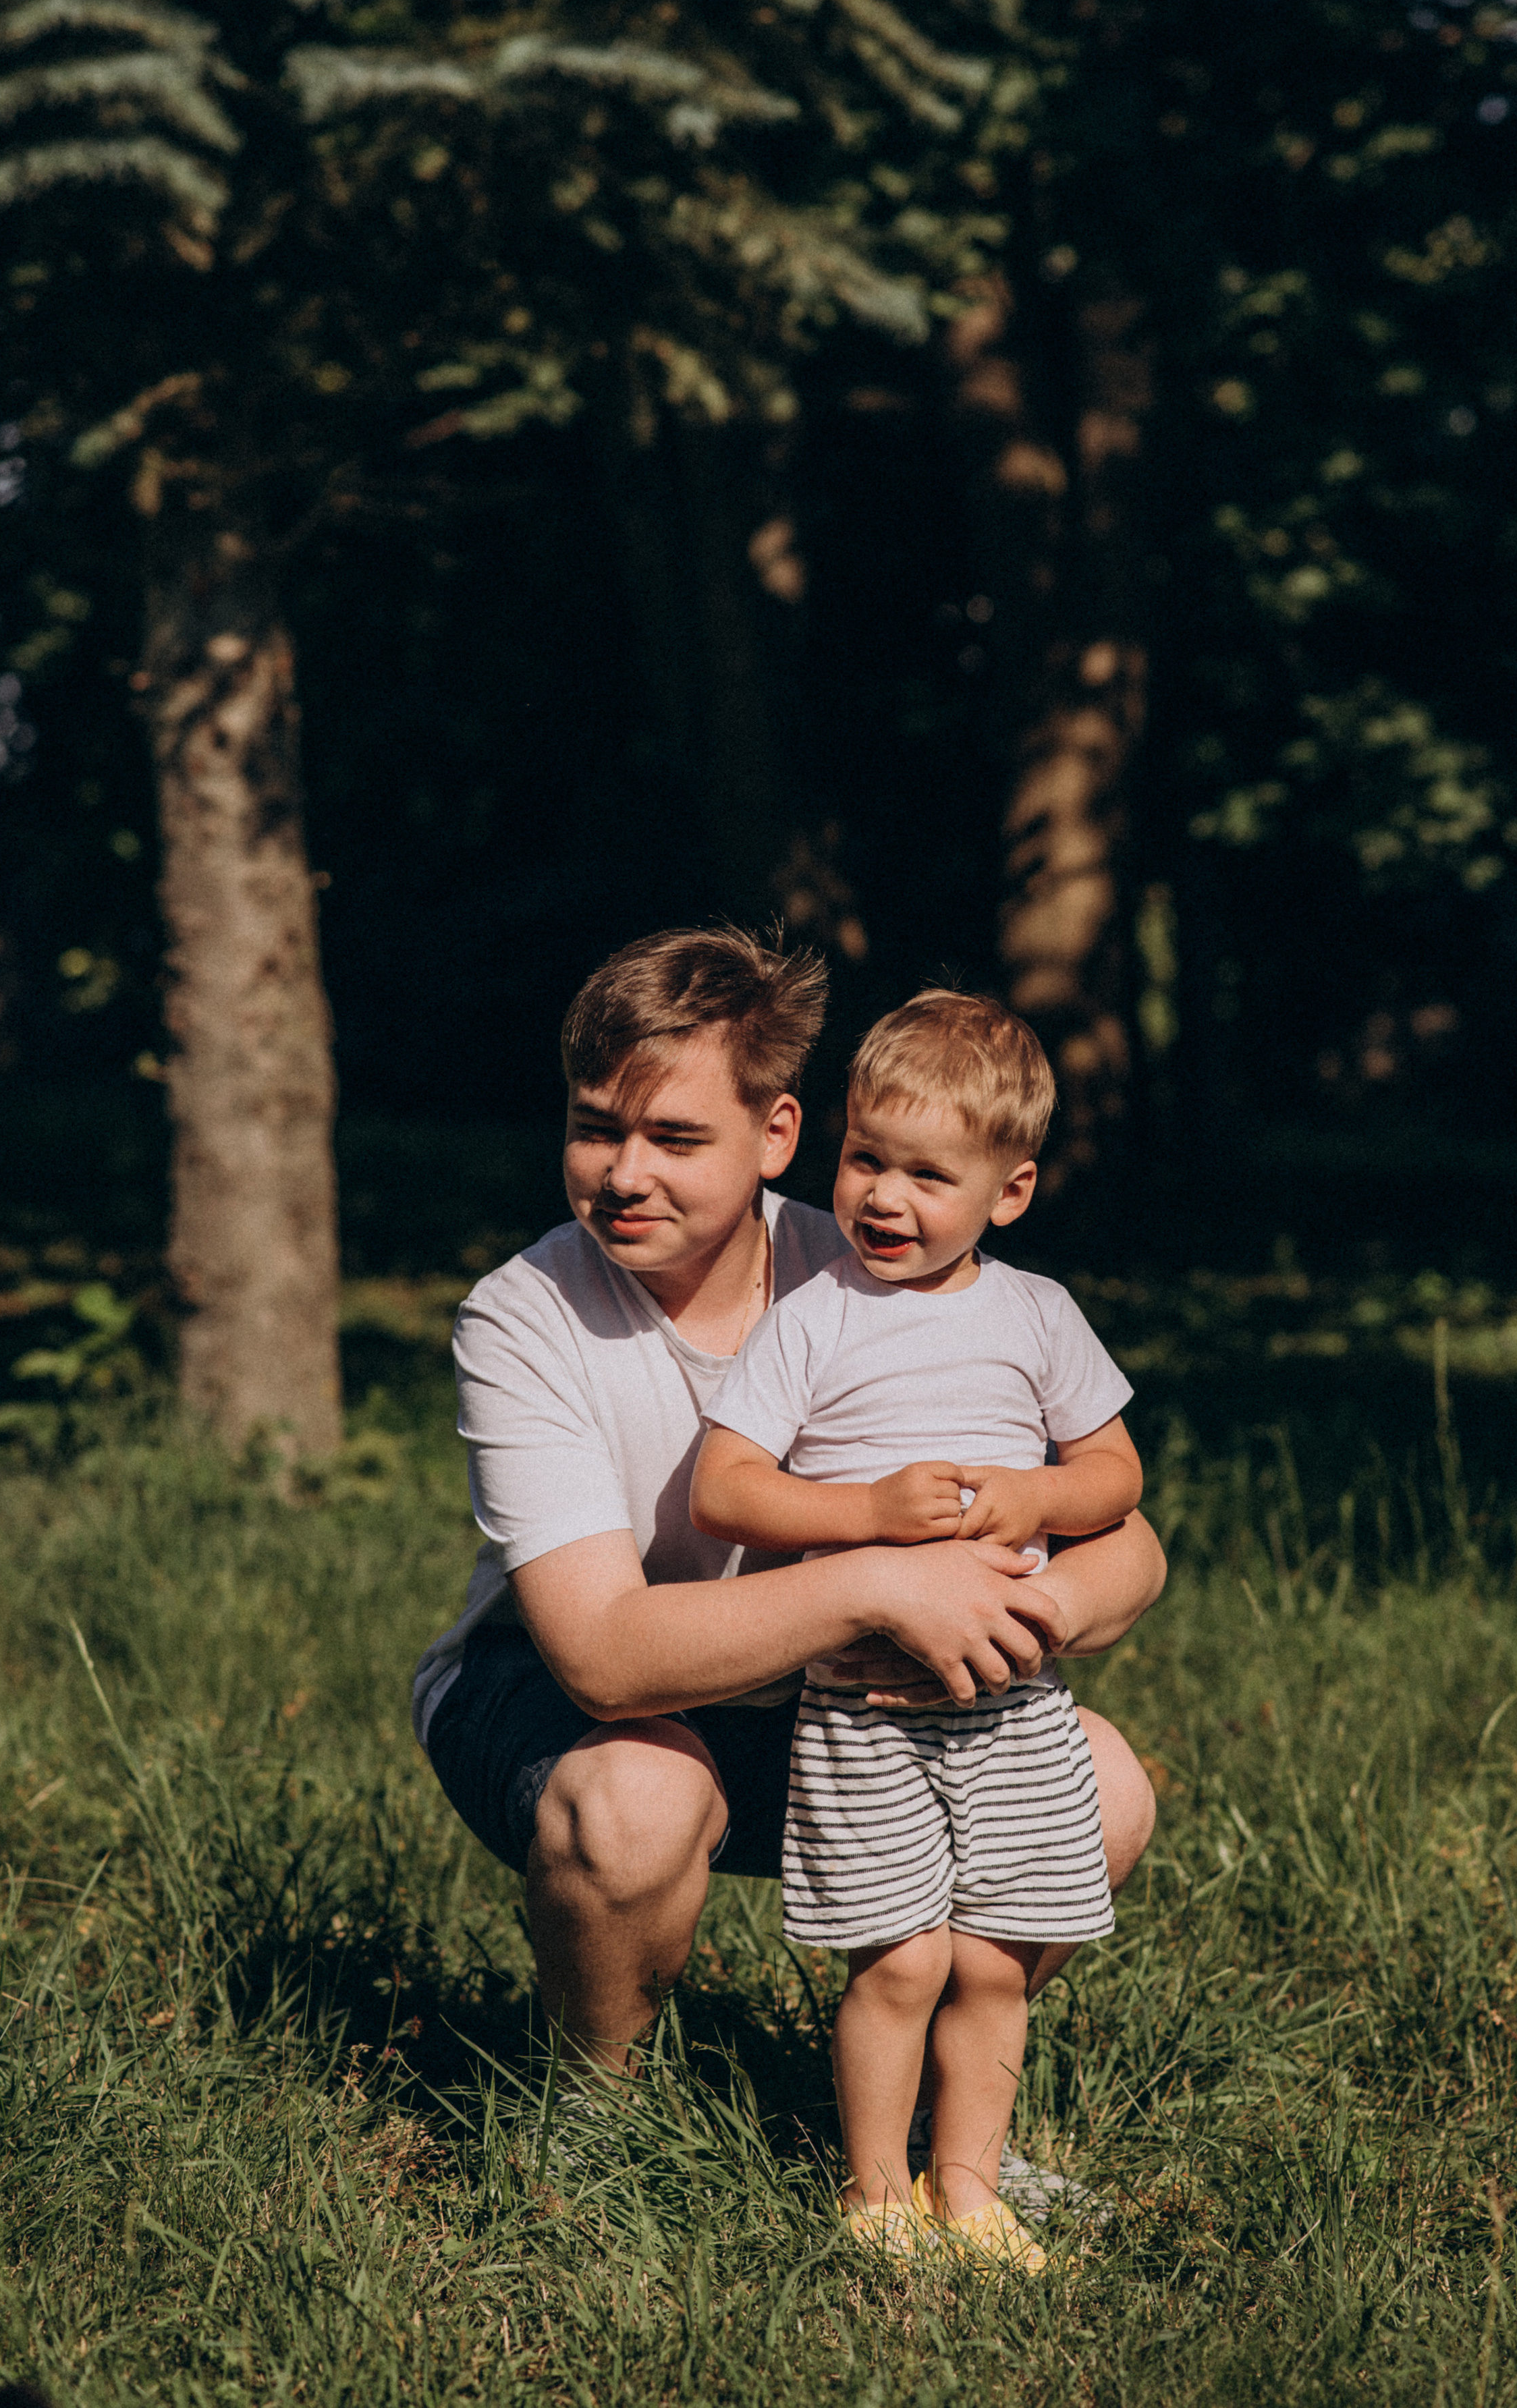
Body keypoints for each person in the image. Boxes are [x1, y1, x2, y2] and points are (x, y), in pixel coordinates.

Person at [414, 928, 1163, 2167]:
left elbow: (1129, 1546)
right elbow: (606, 1660)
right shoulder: (526, 1315)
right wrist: (883, 1577)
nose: (622, 1174)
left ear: (776, 1135)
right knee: (644, 1800)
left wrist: (1013, 1620)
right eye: (596, 1127)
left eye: (676, 1139)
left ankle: (951, 2129)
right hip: (561, 1697)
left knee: (1104, 1785)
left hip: (834, 1698)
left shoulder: (883, 1267)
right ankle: (596, 2120)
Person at [690, 990, 1140, 2270]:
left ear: (1010, 1192)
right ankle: (875, 2191)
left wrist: (1038, 1494)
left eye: (928, 1176)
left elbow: (1115, 1476)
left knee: (998, 1961)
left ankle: (971, 2185)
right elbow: (726, 1488)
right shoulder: (814, 1317)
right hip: (867, 1705)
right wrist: (865, 1513)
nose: (885, 1198)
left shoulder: (1037, 1314)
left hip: (1012, 1706)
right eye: (865, 1160)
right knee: (899, 1961)